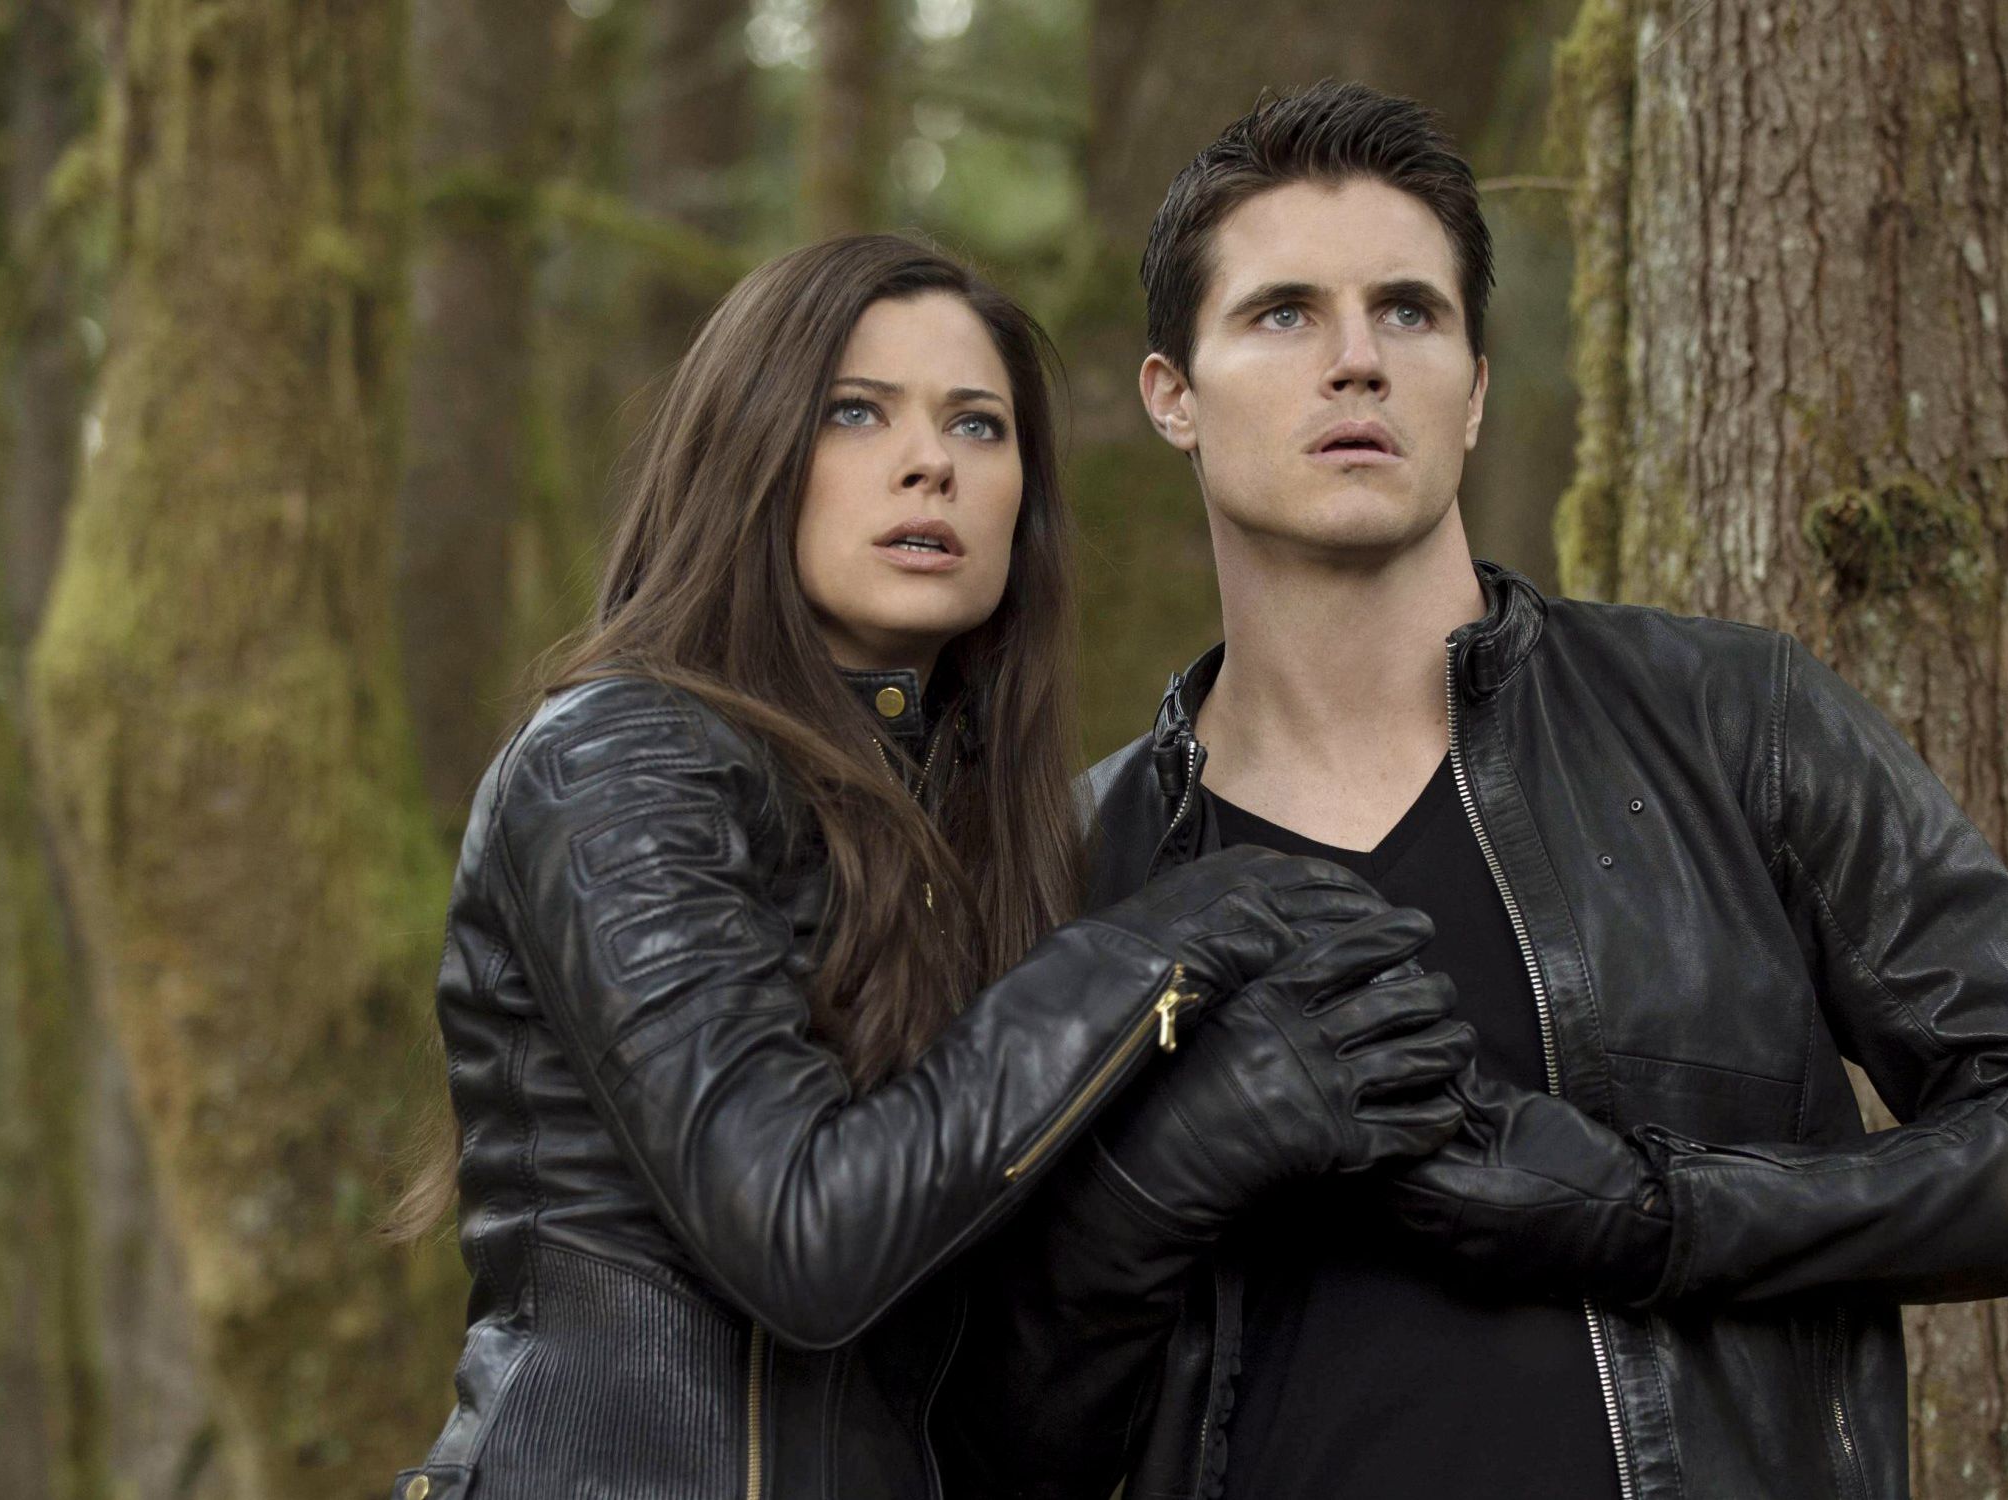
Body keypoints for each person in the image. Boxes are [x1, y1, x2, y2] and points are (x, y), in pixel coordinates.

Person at [937, 83, 2008, 1500]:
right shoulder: (1068, 864)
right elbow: (976, 1434)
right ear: (1172, 396)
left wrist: (1660, 1215)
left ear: (1477, 388)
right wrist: (1149, 1192)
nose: (1358, 362)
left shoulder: (1731, 723)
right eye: (1285, 314)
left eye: (1409, 312)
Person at [383, 234, 1479, 1500]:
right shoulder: (622, 758)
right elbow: (802, 1239)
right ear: (747, 452)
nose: (931, 463)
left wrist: (1194, 1152)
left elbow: (1002, 1415)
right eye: (855, 412)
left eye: (977, 426)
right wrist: (1156, 947)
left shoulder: (974, 839)